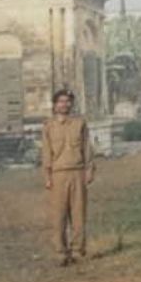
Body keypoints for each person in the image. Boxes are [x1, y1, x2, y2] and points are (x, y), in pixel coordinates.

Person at [41, 89, 95, 266]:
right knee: (58, 215)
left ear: (71, 104)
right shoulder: (48, 126)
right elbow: (46, 152)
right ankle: (60, 252)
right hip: (58, 174)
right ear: (55, 105)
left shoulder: (79, 124)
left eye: (67, 101)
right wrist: (47, 176)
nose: (64, 104)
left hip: (77, 172)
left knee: (78, 214)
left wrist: (89, 170)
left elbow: (87, 148)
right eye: (61, 102)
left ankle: (78, 250)